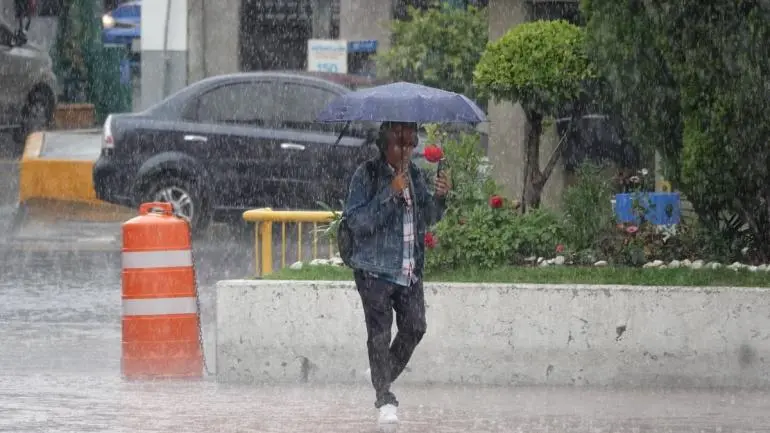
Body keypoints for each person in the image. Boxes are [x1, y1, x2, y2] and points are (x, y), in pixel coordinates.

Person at [343, 121, 452, 426]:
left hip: (409, 269)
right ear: (384, 145)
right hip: (374, 271)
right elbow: (357, 223)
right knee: (379, 335)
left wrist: (441, 197)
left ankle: (382, 374)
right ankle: (384, 397)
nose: (407, 151)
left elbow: (428, 217)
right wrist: (390, 193)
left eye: (411, 144)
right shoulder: (366, 175)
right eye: (400, 144)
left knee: (415, 327)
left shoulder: (415, 174)